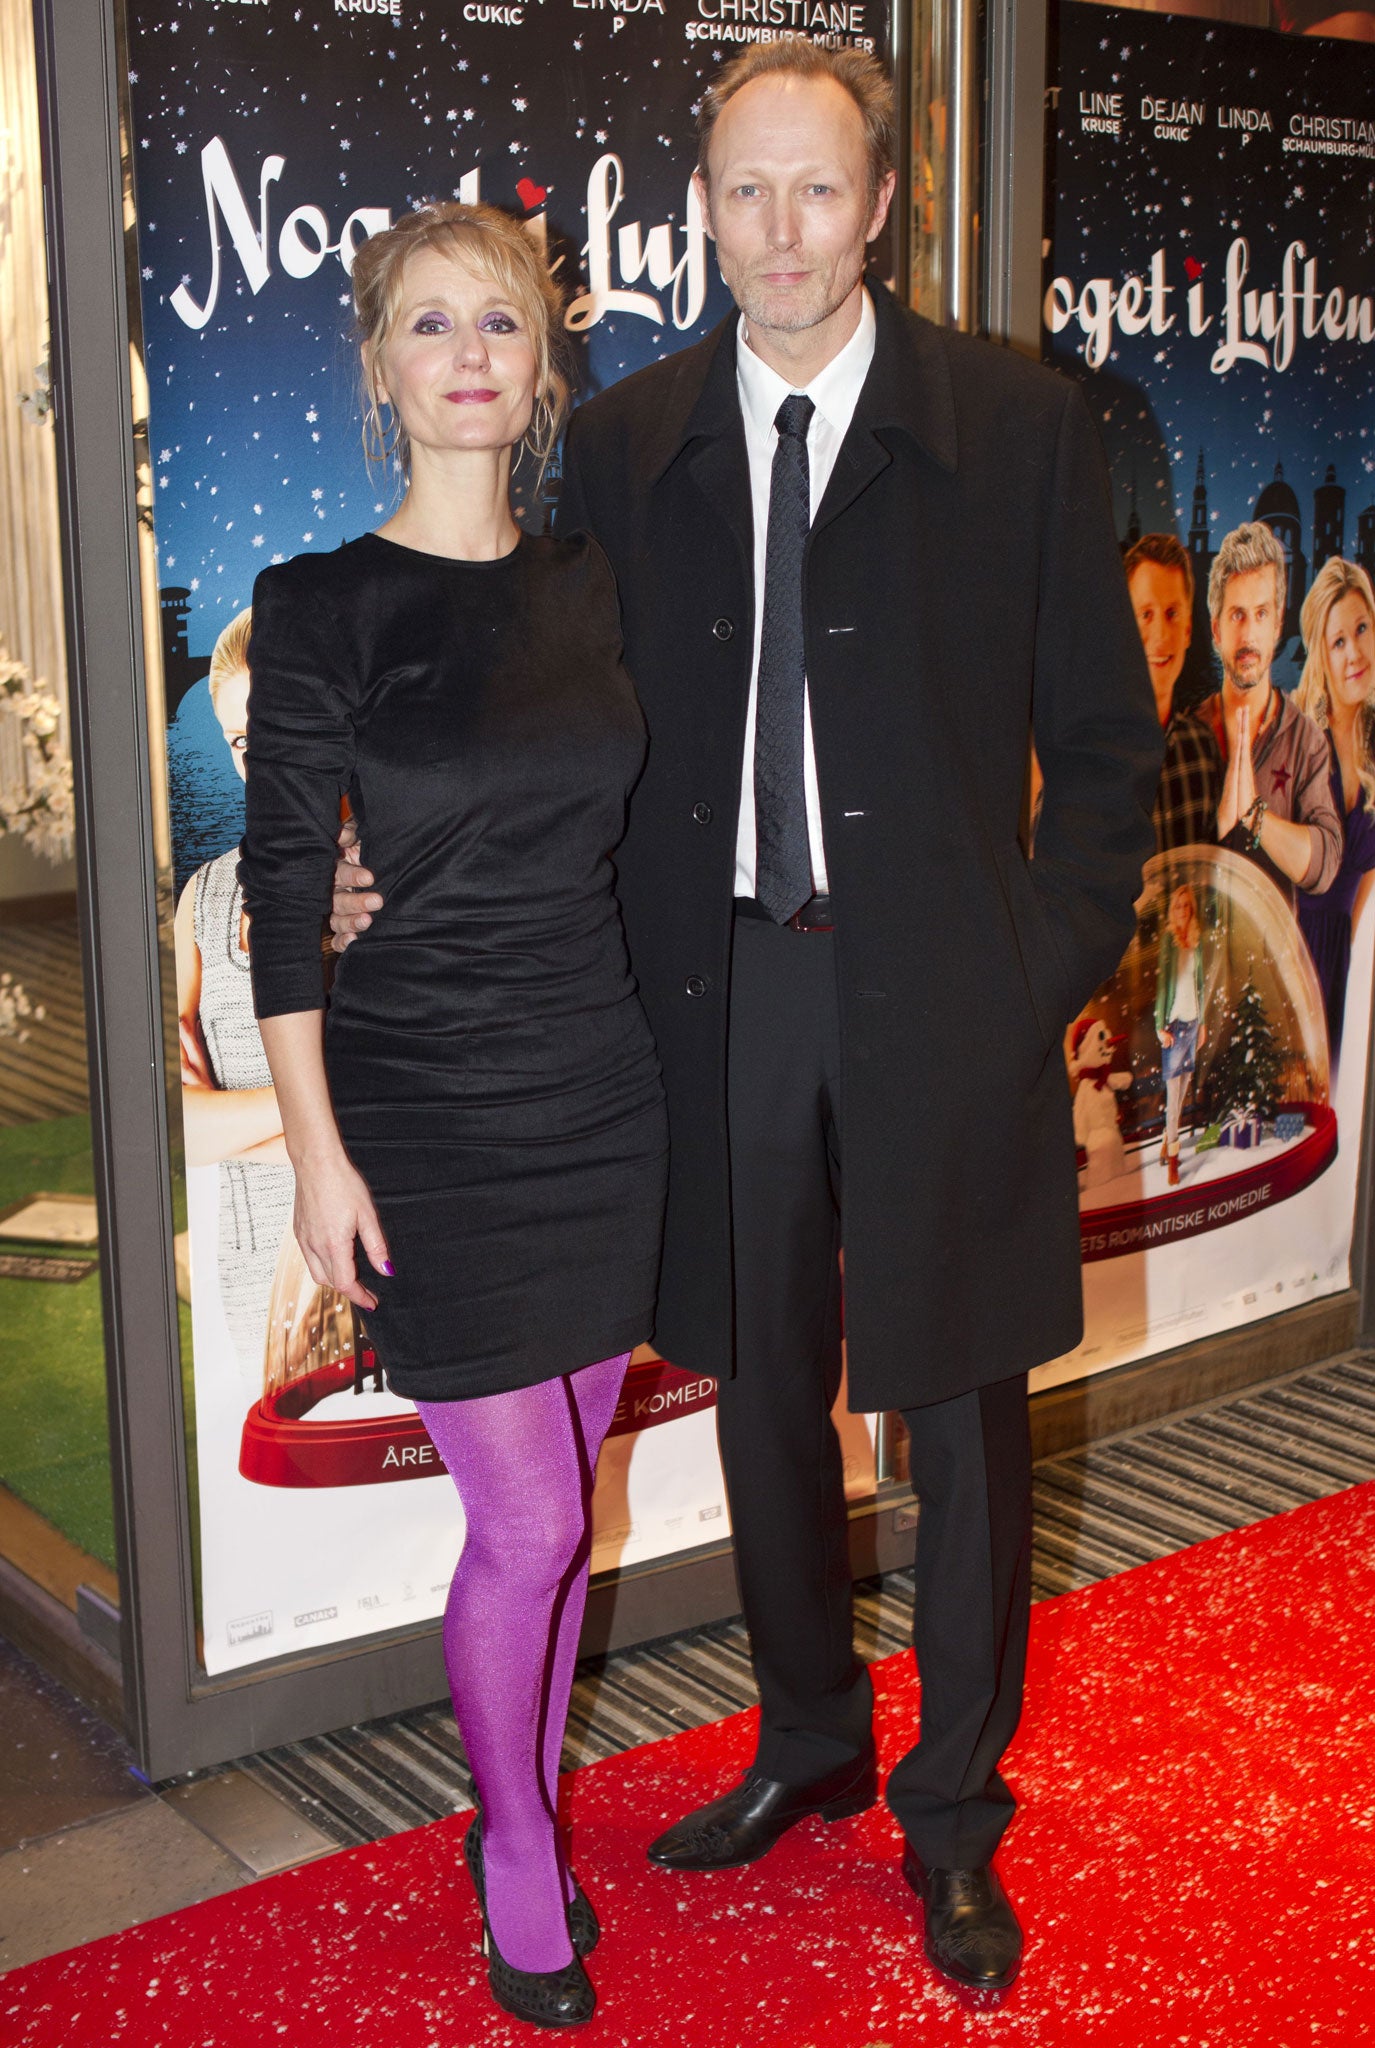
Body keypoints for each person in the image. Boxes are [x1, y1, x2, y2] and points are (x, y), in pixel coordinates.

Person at [334, 45, 1159, 1996]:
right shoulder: (624, 445)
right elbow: (534, 714)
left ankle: (955, 1814)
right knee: (762, 1391)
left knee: (956, 1411)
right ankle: (807, 1736)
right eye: (740, 191)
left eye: (815, 192)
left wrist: (1027, 975)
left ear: (882, 203)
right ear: (697, 207)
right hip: (714, 991)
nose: (776, 233)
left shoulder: (1019, 431)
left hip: (950, 987)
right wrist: (379, 861)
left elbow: (1110, 757)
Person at [239, 202, 668, 2031]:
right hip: (425, 1105)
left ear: (545, 361)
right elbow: (277, 883)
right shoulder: (323, 599)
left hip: (599, 1080)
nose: (471, 353)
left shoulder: (593, 579)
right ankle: (512, 1850)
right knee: (528, 1519)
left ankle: (532, 1799)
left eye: (502, 320)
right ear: (379, 367)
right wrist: (318, 1147)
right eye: (430, 324)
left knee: (566, 1514)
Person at [172, 608, 294, 1386]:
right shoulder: (206, 897)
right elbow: (168, 1129)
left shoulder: (415, 877)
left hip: (421, 1263)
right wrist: (334, 1108)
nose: (265, 761)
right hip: (260, 1290)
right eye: (244, 743)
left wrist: (237, 1115)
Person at [1156, 521, 1341, 906]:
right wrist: (1219, 828)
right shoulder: (1183, 736)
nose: (1249, 636)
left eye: (1261, 614)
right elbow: (1162, 865)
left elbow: (1325, 864)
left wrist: (1256, 817)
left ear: (1277, 625)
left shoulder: (1306, 741)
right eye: (1237, 615)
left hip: (1270, 964)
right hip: (1193, 960)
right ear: (1216, 630)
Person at [1294, 557, 1375, 1069]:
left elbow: (1366, 890)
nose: (1355, 654)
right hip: (1291, 964)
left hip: (1347, 967)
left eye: (1363, 629)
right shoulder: (1297, 742)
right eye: (1338, 641)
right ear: (1321, 653)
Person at [1154, 883, 1207, 1187]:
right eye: (1178, 906)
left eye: (1187, 906)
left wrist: (1203, 1024)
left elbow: (1199, 982)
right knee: (1174, 1099)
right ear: (1172, 910)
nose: (1183, 911)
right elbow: (1162, 987)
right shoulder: (1168, 942)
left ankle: (1165, 1140)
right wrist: (1159, 1026)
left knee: (1183, 1091)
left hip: (1193, 1024)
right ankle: (1173, 1160)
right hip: (1174, 1027)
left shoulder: (1196, 942)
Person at [1125, 532, 1193, 733]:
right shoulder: (1084, 747)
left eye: (1172, 613)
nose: (1161, 636)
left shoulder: (1202, 746)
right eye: (1146, 614)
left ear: (1187, 630)